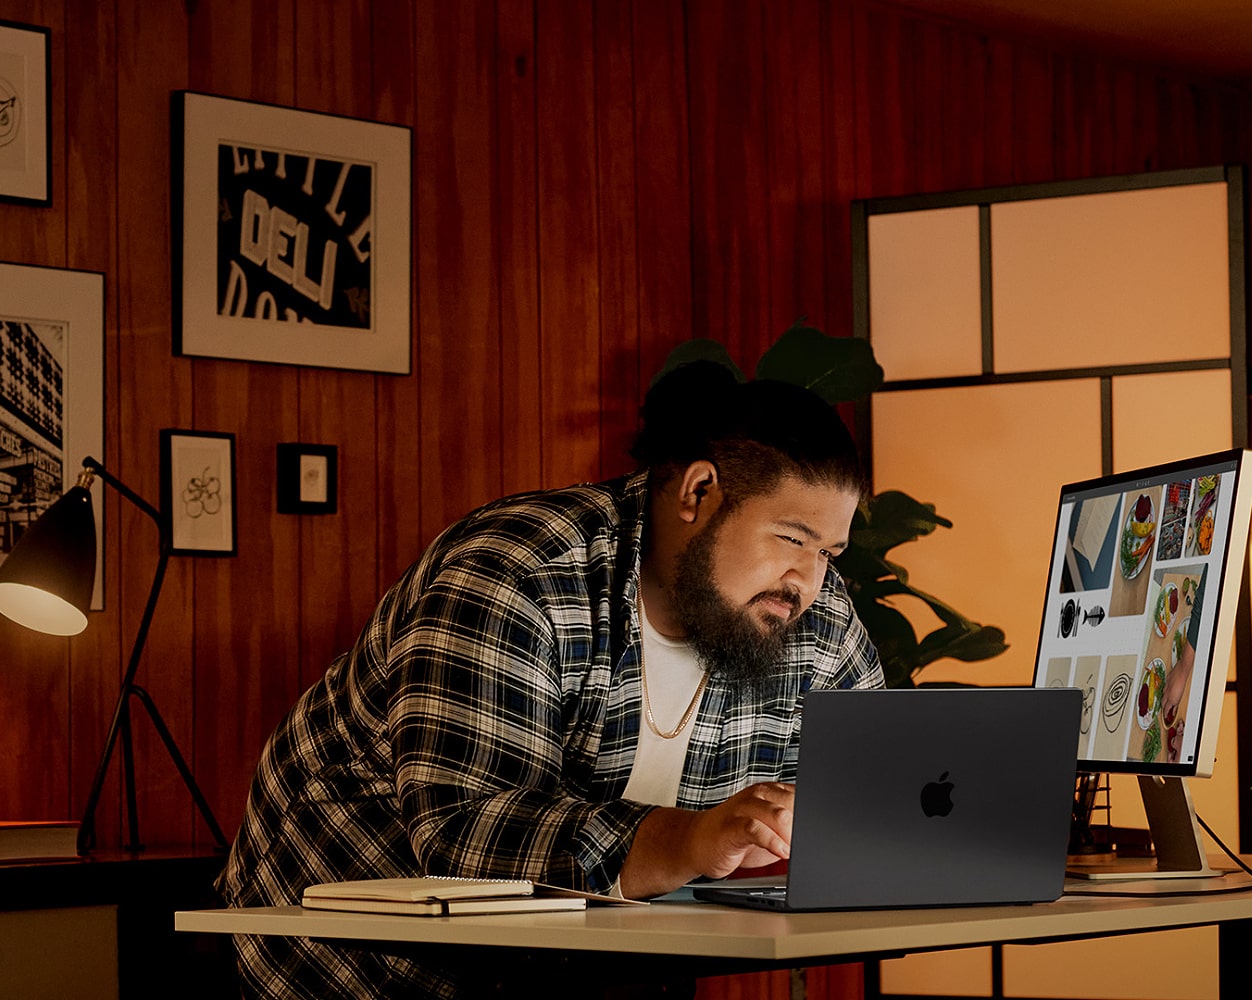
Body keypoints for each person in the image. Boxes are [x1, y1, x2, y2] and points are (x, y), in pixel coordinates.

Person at [217, 360, 884, 998]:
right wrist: (692, 839)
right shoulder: (519, 571)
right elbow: (461, 837)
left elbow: (867, 791)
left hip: (590, 961)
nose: (809, 580)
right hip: (343, 954)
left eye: (829, 553)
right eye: (792, 539)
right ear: (698, 492)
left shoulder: (810, 615)